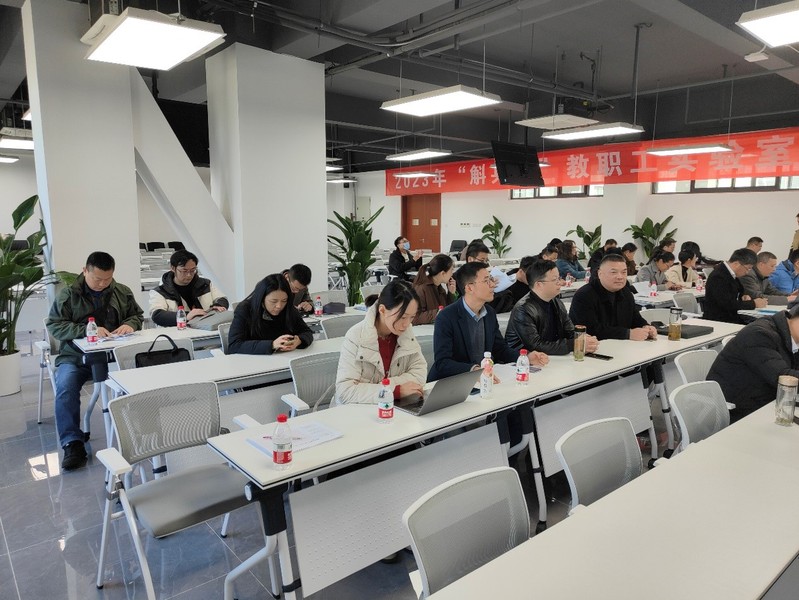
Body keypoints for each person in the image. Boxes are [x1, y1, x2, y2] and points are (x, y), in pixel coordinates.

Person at [46, 252, 143, 471]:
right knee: (66, 387)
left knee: (141, 379)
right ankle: (72, 442)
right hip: (76, 357)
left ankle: (143, 432)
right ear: (85, 271)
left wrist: (130, 324)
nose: (102, 284)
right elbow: (55, 325)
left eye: (107, 279)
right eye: (97, 279)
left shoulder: (122, 291)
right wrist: (86, 330)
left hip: (113, 356)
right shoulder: (68, 295)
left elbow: (137, 315)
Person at [429, 262, 547, 381]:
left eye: (491, 279)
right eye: (486, 281)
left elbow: (500, 349)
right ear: (469, 288)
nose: (493, 285)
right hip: (452, 383)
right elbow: (443, 362)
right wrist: (474, 371)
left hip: (484, 379)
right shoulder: (447, 316)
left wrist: (526, 357)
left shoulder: (489, 313)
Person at [335, 279, 426, 405]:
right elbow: (345, 391)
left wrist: (386, 388)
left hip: (395, 407)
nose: (406, 324)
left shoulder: (405, 332)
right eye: (403, 317)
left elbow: (419, 373)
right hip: (359, 410)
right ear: (382, 310)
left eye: (412, 317)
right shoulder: (356, 336)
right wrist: (393, 391)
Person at [708, 304, 799, 422]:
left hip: (764, 400)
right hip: (737, 410)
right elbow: (783, 377)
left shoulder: (789, 335)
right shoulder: (759, 334)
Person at [506, 259, 599, 355]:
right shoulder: (523, 309)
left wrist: (583, 339)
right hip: (524, 360)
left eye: (559, 278)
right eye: (555, 280)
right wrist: (574, 344)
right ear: (539, 284)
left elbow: (570, 331)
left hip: (552, 356)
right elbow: (535, 345)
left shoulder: (556, 302)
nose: (560, 282)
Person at [568, 254, 656, 341]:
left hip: (623, 346)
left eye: (624, 272)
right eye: (614, 272)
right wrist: (627, 334)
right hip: (594, 346)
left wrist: (646, 326)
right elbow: (591, 330)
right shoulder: (584, 295)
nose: (620, 277)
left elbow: (635, 318)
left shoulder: (626, 293)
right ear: (600, 274)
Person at [227, 274, 313, 355]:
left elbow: (306, 331)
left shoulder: (288, 308)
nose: (279, 306)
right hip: (253, 361)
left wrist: (299, 340)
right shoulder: (245, 309)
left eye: (284, 300)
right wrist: (272, 345)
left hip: (283, 359)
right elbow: (234, 345)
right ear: (262, 298)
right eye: (273, 301)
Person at [149, 249, 229, 327]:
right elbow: (157, 315)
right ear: (173, 268)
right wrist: (185, 316)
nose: (189, 275)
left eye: (192, 270)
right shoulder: (160, 292)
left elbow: (222, 299)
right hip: (177, 332)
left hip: (205, 328)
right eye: (184, 271)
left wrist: (218, 306)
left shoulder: (205, 284)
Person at [703, 248, 766, 324]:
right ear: (736, 264)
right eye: (748, 268)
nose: (747, 272)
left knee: (763, 322)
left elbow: (733, 293)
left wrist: (742, 297)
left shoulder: (730, 273)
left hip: (731, 316)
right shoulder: (719, 276)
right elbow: (727, 304)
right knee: (759, 325)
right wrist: (753, 304)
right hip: (719, 320)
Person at [412, 254, 457, 325]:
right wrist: (438, 312)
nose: (452, 274)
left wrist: (451, 293)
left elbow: (448, 311)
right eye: (451, 271)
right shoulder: (421, 288)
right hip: (424, 330)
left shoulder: (440, 288)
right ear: (443, 273)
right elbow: (415, 318)